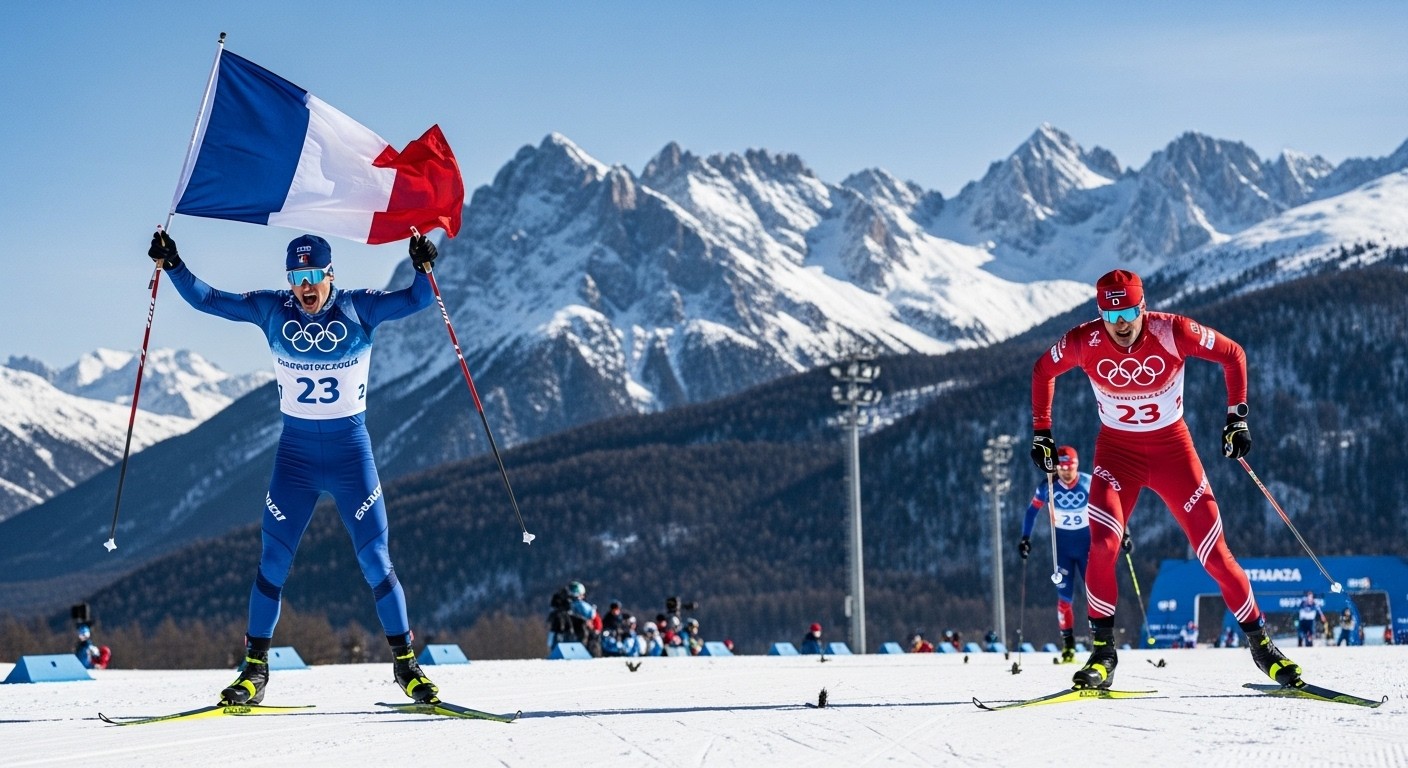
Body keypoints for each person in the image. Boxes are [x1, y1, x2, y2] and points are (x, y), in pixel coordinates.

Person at [147, 229, 441, 705]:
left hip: (351, 456)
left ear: (330, 275)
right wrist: (174, 262)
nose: (304, 286)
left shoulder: (358, 308)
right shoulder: (272, 310)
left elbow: (418, 300)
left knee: (375, 560)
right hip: (296, 460)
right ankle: (254, 671)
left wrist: (424, 265)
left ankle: (407, 668)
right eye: (295, 276)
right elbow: (209, 301)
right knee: (272, 562)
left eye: (312, 276)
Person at [1030, 269, 1300, 689]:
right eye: (1109, 313)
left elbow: (1234, 355)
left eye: (1128, 312)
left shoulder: (1173, 331)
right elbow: (1042, 371)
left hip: (1174, 453)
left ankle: (1264, 647)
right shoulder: (1085, 340)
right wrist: (1042, 433)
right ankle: (1103, 655)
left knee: (1215, 556)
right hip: (1116, 456)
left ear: (1143, 307)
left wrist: (1237, 419)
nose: (1119, 323)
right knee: (1101, 545)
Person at [1018, 444, 1097, 664]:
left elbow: (1112, 506)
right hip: (1061, 548)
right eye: (1061, 468)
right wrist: (1026, 538)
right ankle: (1068, 646)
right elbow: (1032, 511)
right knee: (1064, 599)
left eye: (1069, 467)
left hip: (1087, 547)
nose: (1065, 472)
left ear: (1076, 466)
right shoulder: (1048, 487)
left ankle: (1100, 643)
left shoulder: (1088, 483)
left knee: (1095, 595)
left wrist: (1123, 532)